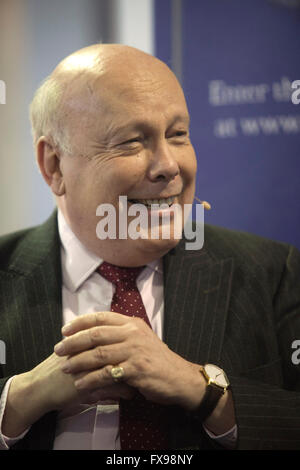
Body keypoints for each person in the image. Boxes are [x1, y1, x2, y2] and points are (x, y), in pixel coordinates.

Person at [0, 44, 299, 451]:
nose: (169, 166)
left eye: (178, 135)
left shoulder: (275, 272)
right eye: (131, 141)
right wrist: (18, 401)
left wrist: (207, 392)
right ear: (54, 165)